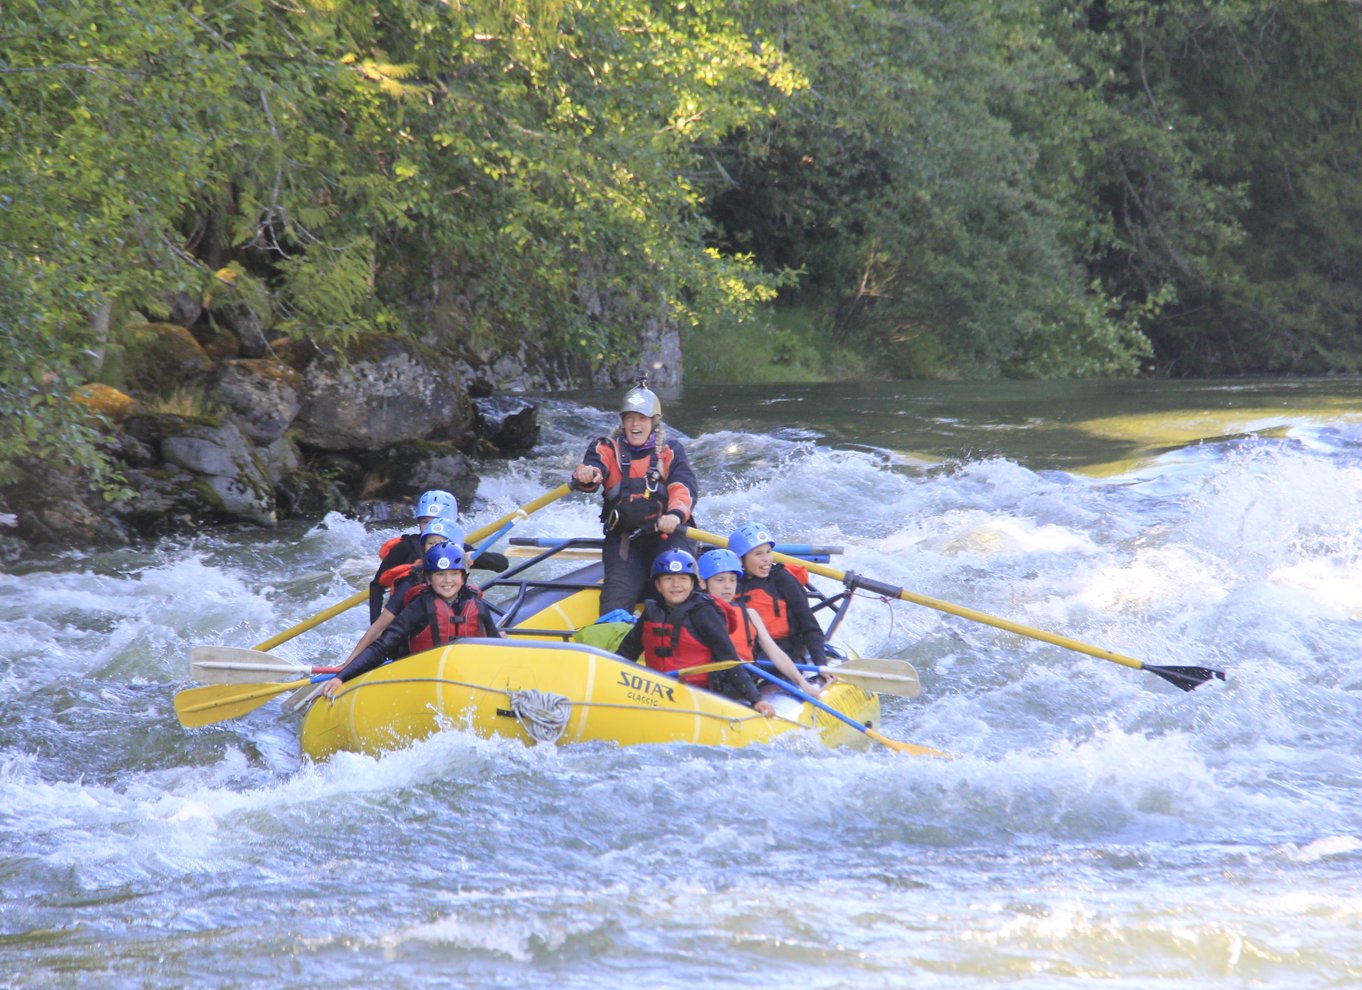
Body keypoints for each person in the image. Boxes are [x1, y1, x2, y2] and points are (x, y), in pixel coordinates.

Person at [571, 377, 699, 617]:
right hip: (625, 540)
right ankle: (613, 646)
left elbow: (684, 487)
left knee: (680, 589)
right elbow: (593, 469)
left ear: (653, 422)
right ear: (623, 422)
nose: (635, 424)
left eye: (641, 418)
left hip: (669, 535)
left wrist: (675, 514)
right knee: (616, 597)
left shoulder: (670, 450)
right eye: (630, 418)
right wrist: (588, 475)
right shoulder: (606, 448)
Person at [322, 542, 501, 698]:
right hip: (421, 680)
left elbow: (495, 646)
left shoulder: (477, 605)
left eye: (454, 574)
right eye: (440, 575)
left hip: (464, 680)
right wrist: (342, 676)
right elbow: (382, 647)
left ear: (464, 577)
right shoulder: (419, 607)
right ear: (429, 579)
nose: (448, 581)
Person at [615, 549, 776, 716]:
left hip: (701, 695)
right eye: (668, 579)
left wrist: (756, 700)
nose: (676, 585)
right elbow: (627, 652)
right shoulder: (651, 612)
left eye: (683, 579)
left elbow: (729, 660)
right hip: (657, 692)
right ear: (658, 585)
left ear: (693, 584)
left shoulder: (704, 612)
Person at [341, 516, 466, 667]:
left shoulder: (465, 590)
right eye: (431, 544)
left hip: (452, 658)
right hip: (411, 659)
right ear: (423, 549)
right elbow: (379, 628)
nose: (436, 549)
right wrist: (348, 664)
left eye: (442, 543)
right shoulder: (410, 586)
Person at [367, 488, 508, 622]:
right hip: (407, 620)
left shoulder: (457, 550)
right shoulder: (405, 547)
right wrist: (375, 623)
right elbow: (376, 587)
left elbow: (502, 564)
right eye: (425, 522)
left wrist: (475, 556)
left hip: (447, 619)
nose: (430, 527)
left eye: (436, 521)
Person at [698, 548, 821, 697]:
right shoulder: (692, 614)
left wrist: (803, 684)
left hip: (738, 690)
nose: (728, 586)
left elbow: (775, 653)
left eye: (732, 579)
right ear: (703, 583)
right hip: (701, 692)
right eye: (720, 580)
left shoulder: (749, 614)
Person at [731, 522, 827, 667]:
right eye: (758, 554)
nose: (767, 559)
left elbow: (809, 626)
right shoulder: (731, 584)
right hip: (749, 657)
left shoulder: (781, 578)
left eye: (768, 552)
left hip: (788, 652)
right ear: (740, 559)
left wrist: (822, 665)